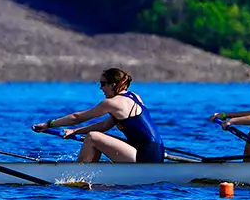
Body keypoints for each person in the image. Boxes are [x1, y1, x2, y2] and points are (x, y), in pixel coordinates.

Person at [36, 67, 165, 164]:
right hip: (157, 151)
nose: (101, 88)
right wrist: (75, 131)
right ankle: (91, 170)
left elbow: (77, 117)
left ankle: (79, 173)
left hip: (145, 156)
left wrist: (49, 124)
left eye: (103, 84)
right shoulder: (134, 96)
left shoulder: (112, 103)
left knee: (92, 137)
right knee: (97, 137)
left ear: (112, 85)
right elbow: (105, 125)